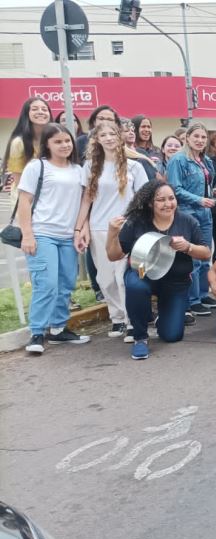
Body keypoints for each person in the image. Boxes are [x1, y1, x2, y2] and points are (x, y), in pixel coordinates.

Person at [107, 181, 210, 360]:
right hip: (143, 275)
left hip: (175, 283)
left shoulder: (187, 221)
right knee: (135, 286)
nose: (167, 204)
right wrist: (112, 233)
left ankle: (157, 317)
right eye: (160, 200)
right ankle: (140, 337)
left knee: (172, 336)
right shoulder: (137, 222)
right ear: (150, 203)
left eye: (171, 198)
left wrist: (187, 247)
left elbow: (206, 252)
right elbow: (113, 255)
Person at [15, 122, 90, 354]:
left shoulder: (79, 170)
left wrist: (80, 230)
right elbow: (24, 201)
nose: (64, 145)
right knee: (46, 284)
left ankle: (58, 329)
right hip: (42, 233)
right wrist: (27, 234)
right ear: (47, 144)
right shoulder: (37, 167)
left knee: (66, 284)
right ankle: (37, 332)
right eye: (57, 141)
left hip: (68, 236)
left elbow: (84, 203)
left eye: (67, 140)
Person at [74, 120, 149, 341]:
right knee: (105, 278)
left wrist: (138, 225)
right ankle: (116, 317)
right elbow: (86, 200)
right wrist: (80, 228)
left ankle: (131, 321)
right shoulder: (90, 166)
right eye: (103, 135)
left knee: (123, 277)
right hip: (99, 228)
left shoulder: (134, 165)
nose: (108, 138)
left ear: (120, 137)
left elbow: (143, 198)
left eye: (112, 134)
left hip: (127, 228)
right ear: (96, 139)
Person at [166, 122, 216, 316]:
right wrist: (199, 199)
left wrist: (214, 193)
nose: (200, 140)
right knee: (192, 258)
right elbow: (175, 189)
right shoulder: (178, 160)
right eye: (196, 136)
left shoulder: (206, 160)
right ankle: (192, 299)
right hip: (188, 212)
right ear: (187, 138)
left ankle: (204, 294)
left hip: (205, 212)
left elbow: (206, 184)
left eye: (203, 137)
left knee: (206, 254)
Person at [3, 97, 51, 194]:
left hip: (50, 195)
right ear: (26, 114)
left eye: (44, 109)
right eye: (34, 109)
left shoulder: (53, 139)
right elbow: (18, 181)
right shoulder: (18, 142)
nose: (40, 112)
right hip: (27, 198)